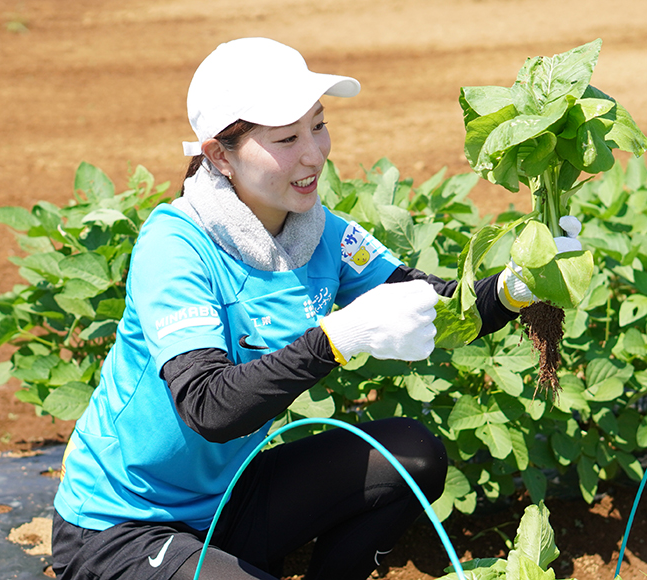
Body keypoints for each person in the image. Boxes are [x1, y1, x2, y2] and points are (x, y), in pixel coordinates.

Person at [51, 37, 577, 580]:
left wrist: (520, 283)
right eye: (286, 138)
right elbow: (209, 408)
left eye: (318, 126)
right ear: (217, 155)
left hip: (229, 501)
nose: (314, 154)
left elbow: (438, 307)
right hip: (124, 524)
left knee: (411, 455)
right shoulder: (176, 244)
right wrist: (336, 339)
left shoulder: (321, 234)